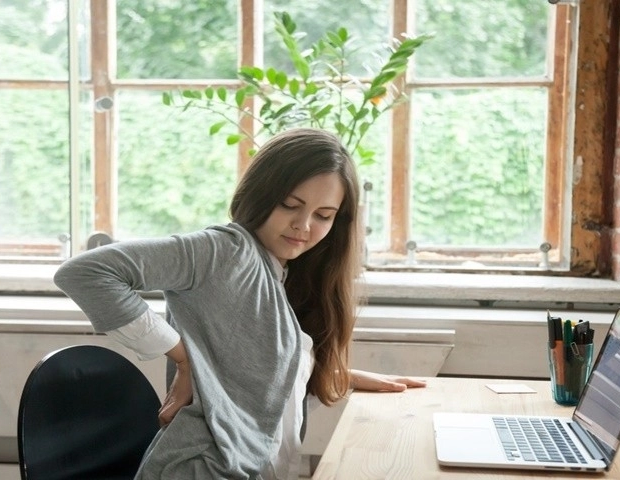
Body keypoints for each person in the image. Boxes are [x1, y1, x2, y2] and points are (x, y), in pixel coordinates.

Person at [53, 127, 426, 480]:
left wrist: (327, 372)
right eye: (290, 205)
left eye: (323, 216)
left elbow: (249, 362)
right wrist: (183, 358)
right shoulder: (222, 252)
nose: (304, 225)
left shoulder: (280, 272)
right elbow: (85, 272)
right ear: (261, 194)